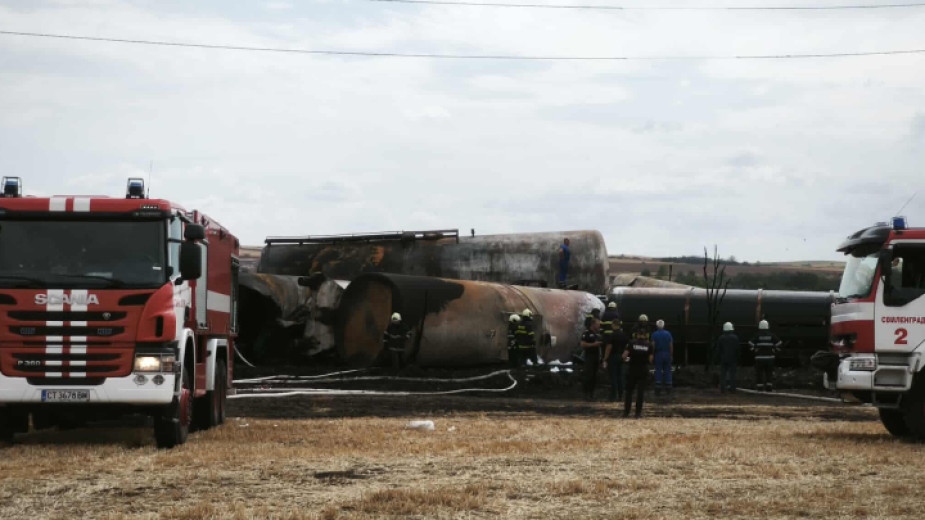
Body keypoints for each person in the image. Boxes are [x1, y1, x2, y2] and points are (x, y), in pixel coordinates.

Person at [623, 315, 654, 418]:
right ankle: (638, 413)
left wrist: (627, 359)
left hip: (632, 369)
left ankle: (626, 412)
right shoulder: (649, 345)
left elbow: (624, 356)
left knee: (629, 392)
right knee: (640, 393)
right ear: (645, 335)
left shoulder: (631, 343)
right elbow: (650, 359)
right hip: (643, 370)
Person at [749, 319, 782, 391]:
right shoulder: (771, 335)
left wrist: (755, 347)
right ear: (767, 326)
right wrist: (774, 347)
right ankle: (769, 388)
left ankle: (759, 388)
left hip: (759, 358)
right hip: (770, 358)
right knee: (769, 373)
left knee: (759, 373)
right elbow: (779, 342)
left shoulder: (757, 335)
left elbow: (750, 342)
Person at [601, 317, 628, 402]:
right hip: (621, 357)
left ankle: (613, 396)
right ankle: (621, 395)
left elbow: (609, 347)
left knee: (613, 376)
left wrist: (605, 358)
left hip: (613, 357)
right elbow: (627, 347)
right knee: (620, 376)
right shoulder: (624, 335)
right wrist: (624, 356)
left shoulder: (612, 335)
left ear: (614, 325)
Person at [580, 318, 604, 401]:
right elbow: (583, 344)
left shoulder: (598, 334)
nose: (599, 325)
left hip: (596, 357)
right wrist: (594, 344)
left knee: (594, 376)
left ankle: (591, 394)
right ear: (593, 324)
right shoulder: (586, 333)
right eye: (598, 324)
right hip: (589, 356)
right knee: (588, 375)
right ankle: (585, 394)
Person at [714, 322, 741, 393]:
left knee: (723, 374)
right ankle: (732, 389)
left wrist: (717, 359)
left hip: (723, 359)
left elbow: (718, 350)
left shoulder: (721, 338)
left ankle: (723, 389)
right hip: (733, 359)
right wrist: (738, 358)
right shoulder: (735, 338)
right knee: (732, 374)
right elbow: (738, 349)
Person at [651, 319, 674, 396]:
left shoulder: (654, 334)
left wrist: (652, 354)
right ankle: (668, 387)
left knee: (658, 370)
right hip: (667, 353)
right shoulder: (668, 334)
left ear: (657, 325)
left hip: (658, 354)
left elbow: (653, 345)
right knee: (668, 370)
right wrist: (671, 355)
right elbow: (671, 345)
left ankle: (658, 387)